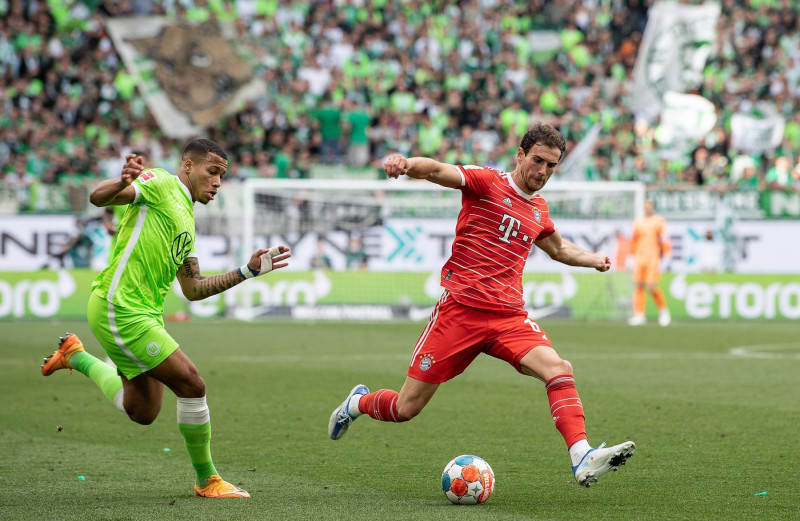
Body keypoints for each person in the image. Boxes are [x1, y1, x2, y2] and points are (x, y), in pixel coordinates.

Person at [328, 123, 635, 488]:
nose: (542, 172)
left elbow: (559, 249)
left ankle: (581, 456)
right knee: (405, 408)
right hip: (459, 312)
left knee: (559, 368)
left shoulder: (538, 209)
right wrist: (407, 164)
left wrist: (594, 260)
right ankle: (358, 403)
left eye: (551, 166)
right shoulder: (487, 182)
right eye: (537, 161)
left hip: (509, 317)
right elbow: (439, 170)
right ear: (520, 155)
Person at [41, 139, 291, 498]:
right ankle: (207, 480)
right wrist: (121, 181)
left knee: (142, 411)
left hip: (144, 315)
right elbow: (98, 197)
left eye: (223, 175)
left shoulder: (186, 218)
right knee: (192, 384)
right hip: (120, 308)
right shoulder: (159, 183)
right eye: (213, 171)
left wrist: (247, 272)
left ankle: (75, 355)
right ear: (188, 166)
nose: (218, 181)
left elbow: (193, 289)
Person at [628, 199, 672, 326]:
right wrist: (631, 257)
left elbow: (665, 239)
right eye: (645, 206)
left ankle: (663, 311)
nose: (647, 208)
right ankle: (639, 314)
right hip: (639, 258)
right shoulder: (638, 222)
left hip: (653, 258)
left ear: (652, 207)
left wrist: (667, 255)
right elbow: (634, 241)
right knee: (638, 285)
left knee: (652, 286)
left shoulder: (659, 221)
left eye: (649, 206)